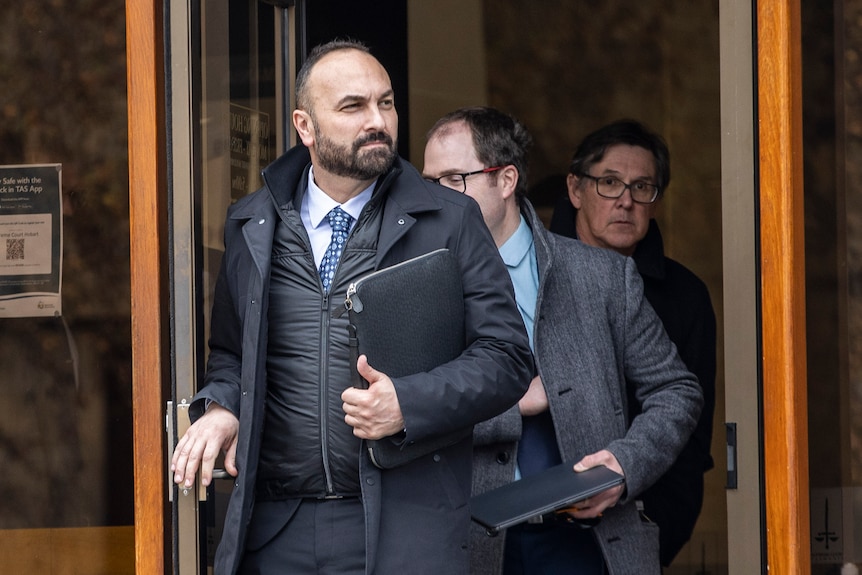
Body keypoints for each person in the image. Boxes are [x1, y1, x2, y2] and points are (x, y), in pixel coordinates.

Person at [170, 41, 533, 575]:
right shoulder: (251, 223)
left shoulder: (450, 220)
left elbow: (507, 358)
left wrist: (408, 403)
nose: (377, 121)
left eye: (385, 104)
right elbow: (230, 353)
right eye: (353, 107)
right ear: (305, 125)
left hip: (402, 526)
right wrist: (223, 406)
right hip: (276, 528)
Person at [423, 106, 702, 575]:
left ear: (506, 179)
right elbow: (409, 412)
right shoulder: (421, 288)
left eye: (453, 179)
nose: (435, 198)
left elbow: (677, 391)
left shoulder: (604, 276)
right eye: (429, 182)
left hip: (594, 543)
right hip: (473, 546)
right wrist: (511, 402)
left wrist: (624, 467)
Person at [549, 118, 717, 567]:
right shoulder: (531, 275)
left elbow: (691, 435)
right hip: (539, 523)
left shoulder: (686, 296)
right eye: (609, 182)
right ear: (575, 189)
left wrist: (659, 526)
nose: (626, 200)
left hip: (643, 523)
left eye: (643, 187)